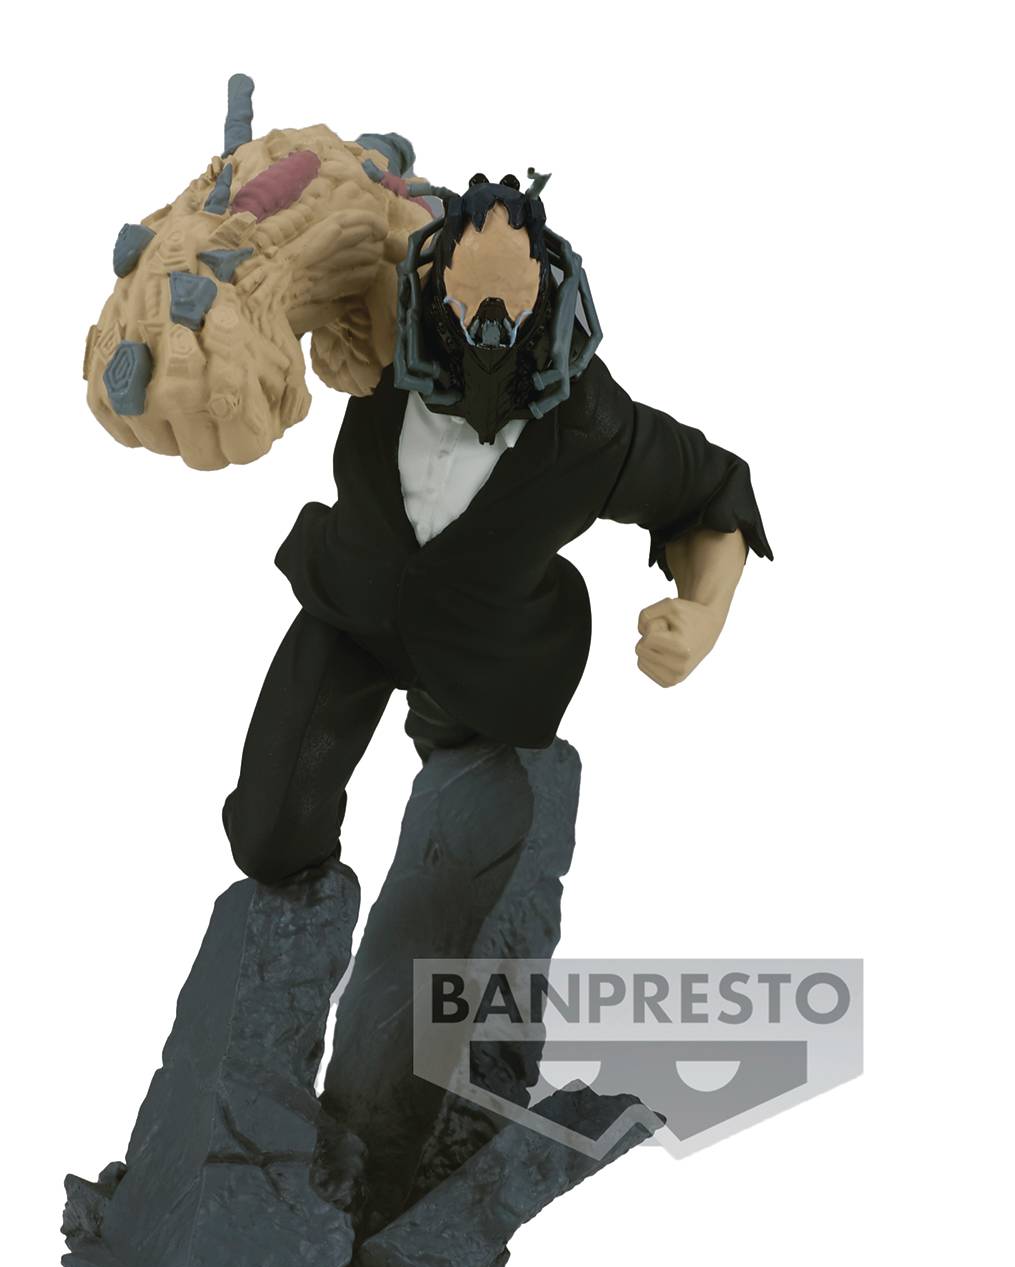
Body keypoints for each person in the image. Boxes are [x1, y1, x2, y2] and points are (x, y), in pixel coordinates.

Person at [220, 171, 772, 885]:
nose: (484, 335)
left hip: (490, 652)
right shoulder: (378, 338)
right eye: (461, 306)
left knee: (472, 848)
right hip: (350, 606)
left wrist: (704, 613)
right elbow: (276, 274)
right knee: (269, 834)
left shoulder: (589, 425)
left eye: (509, 313)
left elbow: (710, 492)